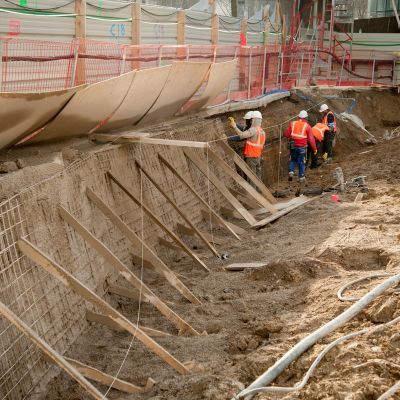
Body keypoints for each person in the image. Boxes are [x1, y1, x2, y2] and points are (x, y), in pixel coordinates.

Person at [227, 111, 266, 184]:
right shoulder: (261, 131)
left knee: (251, 177)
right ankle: (259, 192)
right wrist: (235, 123)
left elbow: (242, 135)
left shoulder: (253, 130)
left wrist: (234, 127)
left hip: (251, 156)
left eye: (249, 120)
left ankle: (253, 194)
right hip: (257, 156)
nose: (248, 122)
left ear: (252, 120)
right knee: (257, 177)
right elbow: (244, 128)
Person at [285, 110, 317, 182]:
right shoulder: (307, 126)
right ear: (306, 118)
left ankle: (291, 171)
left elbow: (287, 134)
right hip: (302, 147)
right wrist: (314, 149)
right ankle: (301, 176)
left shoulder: (292, 123)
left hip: (293, 145)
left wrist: (290, 137)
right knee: (301, 161)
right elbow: (311, 139)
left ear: (298, 117)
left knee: (293, 159)